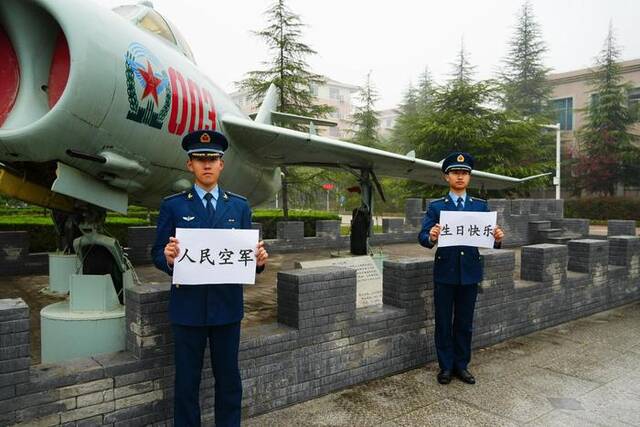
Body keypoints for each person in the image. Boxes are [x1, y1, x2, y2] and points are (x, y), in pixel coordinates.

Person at [151, 129, 268, 427]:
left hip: (227, 309)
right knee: (186, 384)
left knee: (229, 380)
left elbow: (244, 256)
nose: (206, 164)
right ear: (190, 164)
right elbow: (155, 252)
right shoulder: (174, 205)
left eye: (213, 159)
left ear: (221, 165)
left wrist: (257, 262)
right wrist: (166, 258)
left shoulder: (239, 206)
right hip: (187, 310)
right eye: (199, 159)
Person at [418, 151, 504, 385]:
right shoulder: (437, 207)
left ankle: (461, 366)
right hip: (445, 273)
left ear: (469, 178)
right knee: (444, 322)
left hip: (469, 272)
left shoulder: (480, 206)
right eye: (455, 173)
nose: (460, 177)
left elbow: (490, 238)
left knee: (464, 323)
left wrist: (497, 237)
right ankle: (446, 367)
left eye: (464, 173)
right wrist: (431, 235)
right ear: (446, 177)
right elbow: (423, 237)